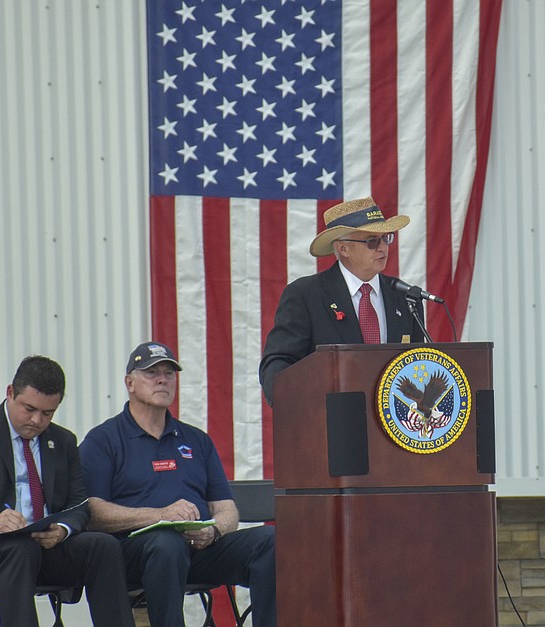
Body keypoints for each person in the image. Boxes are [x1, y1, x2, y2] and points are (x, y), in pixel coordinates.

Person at [78, 341, 276, 627]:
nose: (162, 379)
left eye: (169, 373)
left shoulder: (196, 440)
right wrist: (161, 516)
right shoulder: (103, 440)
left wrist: (214, 530)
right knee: (167, 543)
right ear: (129, 383)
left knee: (270, 540)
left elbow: (227, 508)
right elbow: (91, 513)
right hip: (133, 552)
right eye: (152, 372)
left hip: (197, 548)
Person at [0, 355, 134, 627]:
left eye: (48, 413)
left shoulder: (63, 441)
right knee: (18, 548)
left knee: (103, 546)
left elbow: (79, 505)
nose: (37, 420)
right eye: (29, 409)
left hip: (45, 546)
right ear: (10, 393)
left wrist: (62, 529)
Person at [259, 196, 425, 404]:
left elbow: (418, 364)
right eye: (372, 241)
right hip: (329, 416)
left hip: (394, 417)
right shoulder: (305, 295)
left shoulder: (405, 297)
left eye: (386, 238)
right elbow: (278, 364)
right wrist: (297, 406)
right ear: (343, 248)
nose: (383, 247)